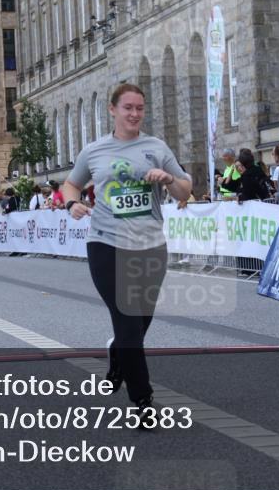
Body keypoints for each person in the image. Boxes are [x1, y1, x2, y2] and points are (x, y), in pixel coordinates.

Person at [62, 83, 192, 428]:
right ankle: (143, 401)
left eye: (140, 108)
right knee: (128, 318)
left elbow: (185, 188)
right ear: (113, 110)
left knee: (140, 322)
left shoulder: (155, 147)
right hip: (106, 243)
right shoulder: (94, 151)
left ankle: (118, 354)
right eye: (128, 108)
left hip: (150, 245)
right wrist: (73, 202)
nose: (134, 114)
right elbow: (71, 184)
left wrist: (167, 179)